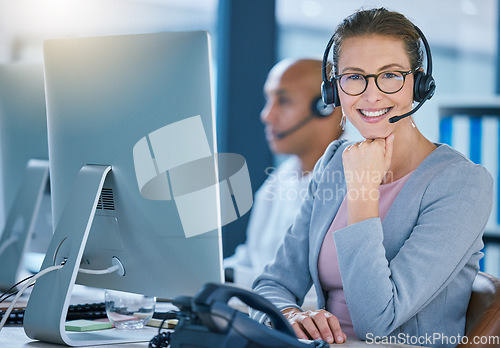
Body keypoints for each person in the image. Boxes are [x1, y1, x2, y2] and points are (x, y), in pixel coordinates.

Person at [251, 8, 493, 347]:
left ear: (419, 83)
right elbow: (271, 285)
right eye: (353, 77)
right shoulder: (335, 162)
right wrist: (289, 314)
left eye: (390, 75)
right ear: (334, 89)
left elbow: (378, 323)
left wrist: (362, 192)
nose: (371, 94)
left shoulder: (461, 183)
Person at [224, 58, 344, 288]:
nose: (267, 115)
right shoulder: (282, 176)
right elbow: (251, 258)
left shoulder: (354, 179)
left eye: (283, 100)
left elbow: (322, 289)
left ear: (325, 107)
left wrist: (233, 278)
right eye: (268, 100)